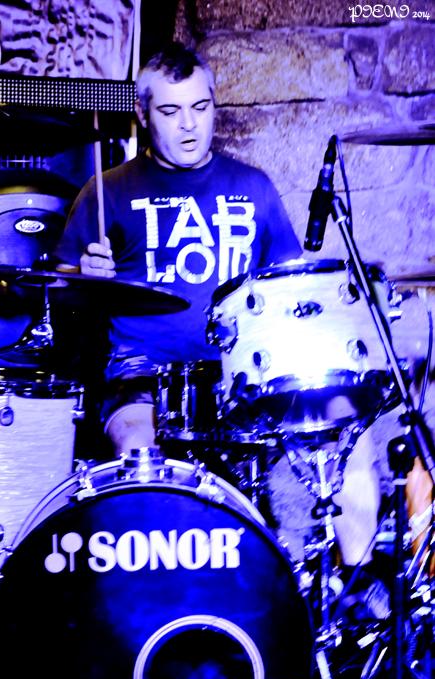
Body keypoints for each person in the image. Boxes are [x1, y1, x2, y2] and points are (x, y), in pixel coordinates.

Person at [54, 41, 389, 619]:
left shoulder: (253, 185)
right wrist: (82, 273)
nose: (189, 125)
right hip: (143, 378)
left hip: (242, 377)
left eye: (200, 107)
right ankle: (157, 614)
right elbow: (56, 290)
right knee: (137, 453)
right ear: (142, 115)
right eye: (170, 111)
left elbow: (290, 287)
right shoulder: (107, 192)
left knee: (351, 431)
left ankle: (353, 598)